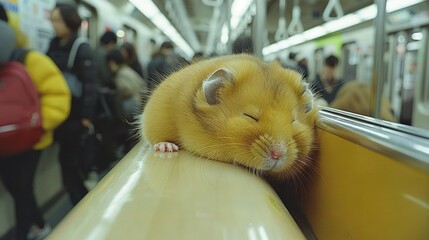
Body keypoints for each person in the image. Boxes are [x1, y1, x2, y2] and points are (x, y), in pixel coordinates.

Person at [0, 19, 71, 240]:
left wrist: (39, 124)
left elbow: (58, 95)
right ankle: (38, 224)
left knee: (22, 188)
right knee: (14, 186)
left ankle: (26, 231)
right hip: (4, 140)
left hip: (32, 139)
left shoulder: (30, 60)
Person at [46, 2, 98, 206]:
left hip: (75, 118)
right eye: (53, 20)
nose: (54, 24)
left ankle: (81, 205)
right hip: (58, 113)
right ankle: (81, 203)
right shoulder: (53, 44)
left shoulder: (81, 47)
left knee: (70, 164)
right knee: (67, 164)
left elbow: (90, 84)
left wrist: (86, 117)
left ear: (70, 21)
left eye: (57, 20)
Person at [106, 48, 147, 153]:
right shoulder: (129, 70)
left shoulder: (121, 75)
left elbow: (127, 91)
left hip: (131, 107)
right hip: (140, 105)